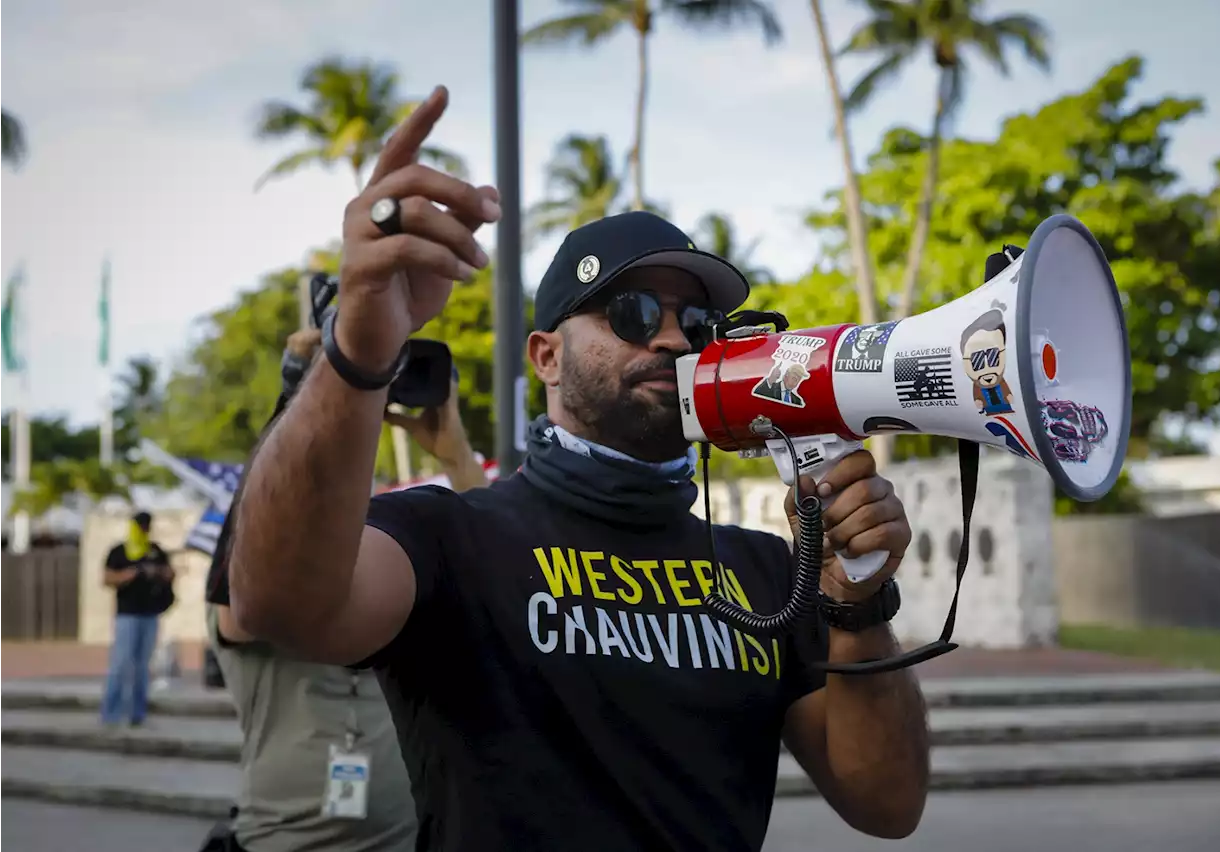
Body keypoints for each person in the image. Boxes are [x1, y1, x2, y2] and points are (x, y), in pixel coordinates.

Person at [227, 87, 929, 851]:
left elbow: (885, 805)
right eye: (631, 314)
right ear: (547, 356)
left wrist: (855, 608)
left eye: (696, 323)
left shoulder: (771, 573)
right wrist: (360, 344)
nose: (671, 342)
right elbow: (277, 605)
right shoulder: (450, 538)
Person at [202, 326, 488, 852]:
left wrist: (457, 456)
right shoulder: (255, 600)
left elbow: (502, 567)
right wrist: (296, 397)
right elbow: (255, 539)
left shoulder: (390, 594)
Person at [100, 510, 175, 727]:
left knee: (143, 667)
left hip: (149, 613)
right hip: (127, 615)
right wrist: (131, 573)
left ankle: (137, 714)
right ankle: (110, 714)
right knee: (120, 664)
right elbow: (107, 578)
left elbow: (170, 573)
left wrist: (157, 572)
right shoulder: (120, 551)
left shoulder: (155, 551)